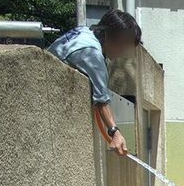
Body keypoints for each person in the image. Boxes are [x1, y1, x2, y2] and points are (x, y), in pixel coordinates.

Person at [47, 9, 141, 156]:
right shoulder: (92, 55)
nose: (123, 52)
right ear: (109, 36)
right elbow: (102, 100)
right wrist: (115, 133)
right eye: (123, 45)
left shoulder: (83, 32)